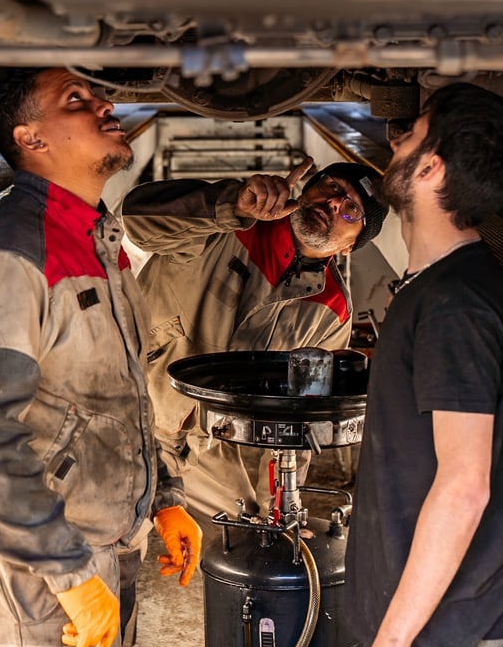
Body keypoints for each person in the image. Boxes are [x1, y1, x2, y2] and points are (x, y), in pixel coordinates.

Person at [0, 67, 202, 647]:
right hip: (29, 567)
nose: (104, 104)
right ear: (32, 139)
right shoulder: (9, 253)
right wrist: (68, 573)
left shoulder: (98, 241)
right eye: (75, 99)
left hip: (90, 540)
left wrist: (165, 497)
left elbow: (119, 397)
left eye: (96, 94)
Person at [344, 82, 503, 647]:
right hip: (429, 616)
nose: (395, 139)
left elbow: (464, 487)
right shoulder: (444, 286)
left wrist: (395, 641)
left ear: (429, 169)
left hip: (440, 633)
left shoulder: (457, 307)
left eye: (413, 133)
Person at [121, 158, 387, 532]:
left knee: (261, 528)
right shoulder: (227, 226)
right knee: (116, 536)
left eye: (350, 210)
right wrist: (231, 205)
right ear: (309, 187)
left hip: (198, 445)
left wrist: (278, 505)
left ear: (350, 246)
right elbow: (135, 219)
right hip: (129, 414)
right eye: (332, 187)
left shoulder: (332, 309)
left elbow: (300, 418)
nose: (332, 203)